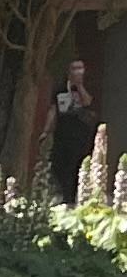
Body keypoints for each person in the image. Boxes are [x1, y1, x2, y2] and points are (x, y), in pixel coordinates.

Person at [55, 57, 101, 207]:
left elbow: (87, 101)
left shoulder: (87, 86)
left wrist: (79, 86)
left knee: (76, 165)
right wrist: (47, 130)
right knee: (60, 163)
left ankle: (74, 198)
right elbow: (53, 108)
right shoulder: (61, 87)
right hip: (62, 131)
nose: (78, 72)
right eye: (74, 69)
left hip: (80, 133)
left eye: (80, 69)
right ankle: (64, 196)